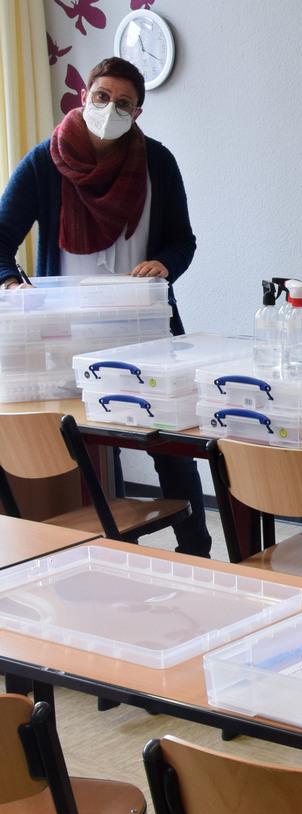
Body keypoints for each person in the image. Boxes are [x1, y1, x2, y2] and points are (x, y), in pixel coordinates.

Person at [0, 57, 212, 558]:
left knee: (170, 446)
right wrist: (10, 284)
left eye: (122, 103)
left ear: (138, 113)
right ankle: (101, 553)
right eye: (101, 97)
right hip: (63, 335)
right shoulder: (44, 162)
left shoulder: (157, 162)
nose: (109, 109)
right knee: (81, 443)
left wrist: (163, 263)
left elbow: (183, 241)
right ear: (83, 97)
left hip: (144, 329)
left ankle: (198, 552)